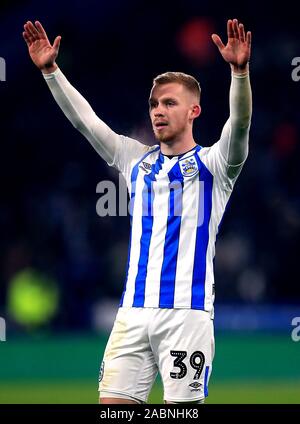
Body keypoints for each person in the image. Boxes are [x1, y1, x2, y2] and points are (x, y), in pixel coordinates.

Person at [23, 18, 252, 404]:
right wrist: (51, 72)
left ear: (194, 110)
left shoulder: (216, 164)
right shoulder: (135, 160)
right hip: (132, 314)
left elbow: (241, 122)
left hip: (187, 315)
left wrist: (240, 72)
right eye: (153, 104)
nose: (157, 111)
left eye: (169, 102)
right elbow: (86, 122)